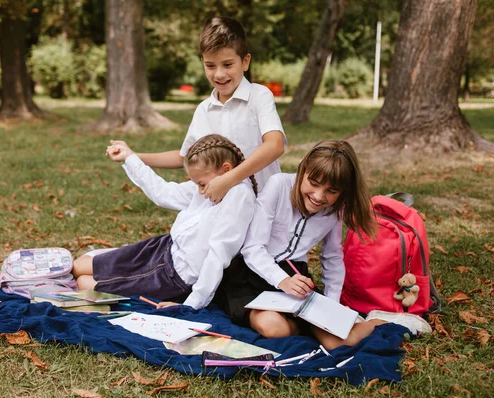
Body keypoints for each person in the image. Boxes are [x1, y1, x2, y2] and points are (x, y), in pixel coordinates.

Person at [215, 140, 432, 350]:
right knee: (274, 328)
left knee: (339, 342)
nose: (319, 197)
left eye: (331, 191)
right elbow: (252, 249)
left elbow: (332, 257)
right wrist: (283, 281)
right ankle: (305, 325)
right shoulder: (279, 186)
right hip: (251, 274)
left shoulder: (335, 209)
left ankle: (381, 321)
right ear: (303, 171)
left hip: (295, 278)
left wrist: (332, 305)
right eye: (314, 184)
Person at [72, 135, 257, 310]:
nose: (200, 191)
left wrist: (190, 305)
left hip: (171, 277)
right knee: (78, 266)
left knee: (84, 284)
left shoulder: (239, 197)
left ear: (226, 170)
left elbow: (218, 256)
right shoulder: (211, 181)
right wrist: (129, 157)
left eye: (202, 184)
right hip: (162, 247)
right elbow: (164, 193)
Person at [114, 16, 285, 203]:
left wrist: (228, 179)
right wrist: (133, 156)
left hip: (264, 205)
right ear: (202, 62)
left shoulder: (259, 96)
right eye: (210, 65)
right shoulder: (204, 110)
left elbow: (274, 145)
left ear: (245, 62)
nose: (219, 74)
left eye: (227, 64)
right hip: (223, 208)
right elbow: (184, 158)